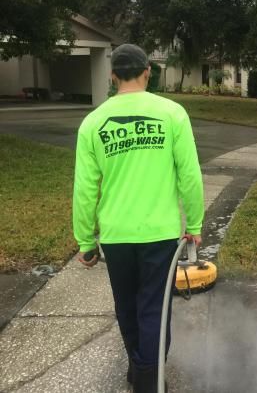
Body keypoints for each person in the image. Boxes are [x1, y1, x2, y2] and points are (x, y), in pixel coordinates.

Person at [72, 43, 204, 392]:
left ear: (113, 76)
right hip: (159, 235)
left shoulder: (92, 123)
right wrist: (194, 225)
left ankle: (139, 369)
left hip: (116, 236)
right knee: (154, 310)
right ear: (148, 71)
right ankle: (148, 379)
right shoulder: (172, 114)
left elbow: (85, 190)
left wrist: (86, 242)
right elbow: (189, 175)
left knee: (127, 307)